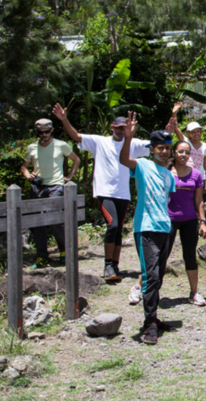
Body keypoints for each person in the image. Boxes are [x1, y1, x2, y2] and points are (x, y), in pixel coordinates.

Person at [52, 104, 151, 283]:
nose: (121, 131)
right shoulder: (100, 142)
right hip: (105, 192)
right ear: (112, 127)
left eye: (124, 128)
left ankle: (115, 265)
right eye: (118, 128)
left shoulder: (132, 143)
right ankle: (108, 264)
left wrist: (171, 130)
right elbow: (76, 136)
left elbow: (155, 145)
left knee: (118, 230)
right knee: (113, 226)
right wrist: (64, 119)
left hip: (123, 193)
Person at [119, 115, 177, 345]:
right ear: (151, 149)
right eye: (160, 148)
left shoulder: (169, 175)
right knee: (150, 276)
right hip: (146, 228)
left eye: (167, 148)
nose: (164, 152)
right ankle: (150, 323)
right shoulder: (142, 165)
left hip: (165, 228)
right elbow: (124, 159)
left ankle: (153, 317)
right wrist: (128, 137)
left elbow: (166, 200)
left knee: (158, 276)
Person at [21, 118, 80, 268]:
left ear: (51, 130)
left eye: (46, 132)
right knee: (38, 223)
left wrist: (69, 176)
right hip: (37, 187)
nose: (44, 135)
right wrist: (28, 175)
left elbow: (76, 160)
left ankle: (65, 250)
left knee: (54, 218)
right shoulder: (31, 147)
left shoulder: (61, 145)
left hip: (55, 186)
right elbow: (24, 167)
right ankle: (42, 257)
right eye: (41, 132)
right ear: (37, 132)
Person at [168, 139, 206, 307]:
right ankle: (144, 287)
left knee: (190, 256)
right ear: (174, 153)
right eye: (180, 151)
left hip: (189, 220)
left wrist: (202, 222)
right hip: (169, 219)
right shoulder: (166, 172)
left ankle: (194, 292)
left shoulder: (196, 174)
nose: (184, 155)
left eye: (187, 152)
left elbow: (199, 201)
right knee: (161, 254)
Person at [171, 102, 206, 187]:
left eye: (198, 131)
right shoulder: (186, 142)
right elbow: (176, 128)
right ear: (189, 133)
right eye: (193, 132)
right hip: (188, 174)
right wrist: (174, 114)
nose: (196, 134)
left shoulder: (205, 146)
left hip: (201, 177)